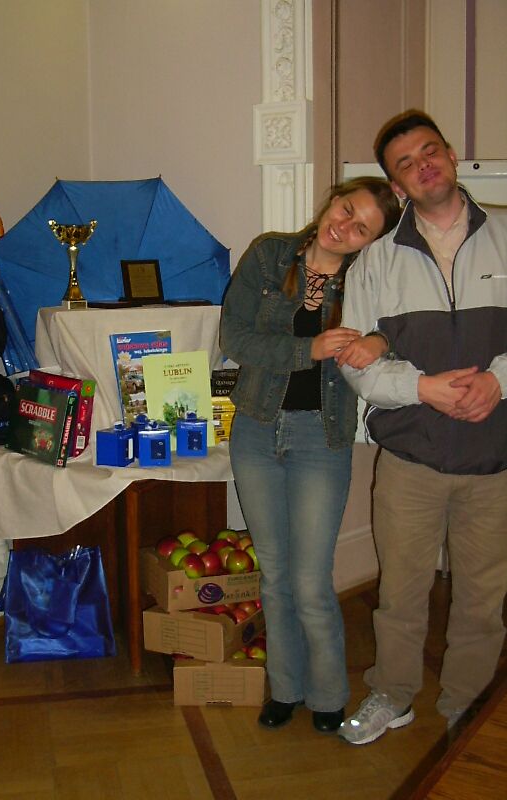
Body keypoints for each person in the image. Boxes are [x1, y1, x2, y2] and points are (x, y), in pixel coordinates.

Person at [337, 109, 507, 745]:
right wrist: (423, 388)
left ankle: (467, 704)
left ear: (451, 155)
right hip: (411, 460)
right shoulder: (376, 259)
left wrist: (499, 380)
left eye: (429, 151)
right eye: (405, 164)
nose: (422, 166)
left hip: (496, 459)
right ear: (397, 185)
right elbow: (356, 361)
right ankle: (393, 694)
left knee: (483, 598)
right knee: (401, 593)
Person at [220, 177, 401, 733]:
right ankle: (285, 689)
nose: (344, 227)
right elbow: (234, 337)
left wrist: (381, 342)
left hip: (321, 439)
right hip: (256, 428)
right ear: (332, 200)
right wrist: (310, 348)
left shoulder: (369, 279)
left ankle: (327, 695)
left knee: (311, 580)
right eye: (346, 210)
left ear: (371, 243)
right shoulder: (269, 255)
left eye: (362, 228)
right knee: (274, 575)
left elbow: (403, 327)